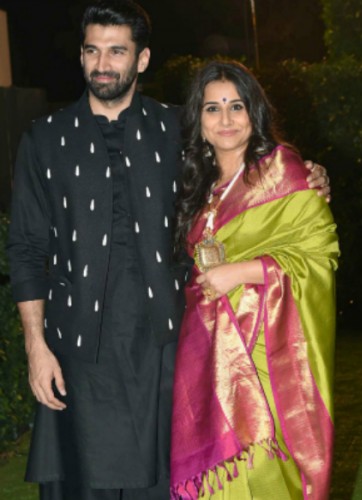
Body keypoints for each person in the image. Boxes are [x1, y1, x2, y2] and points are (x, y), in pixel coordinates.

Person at [6, 2, 329, 499]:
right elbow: (26, 250)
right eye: (92, 51)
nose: (102, 64)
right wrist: (35, 346)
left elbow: (243, 165)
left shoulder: (178, 130)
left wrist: (306, 176)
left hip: (168, 348)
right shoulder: (44, 140)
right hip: (77, 353)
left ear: (142, 58)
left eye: (117, 51)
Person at [169, 61, 338, 500]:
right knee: (220, 468)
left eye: (236, 106)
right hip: (207, 348)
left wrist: (240, 272)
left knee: (263, 460)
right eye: (212, 108)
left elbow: (319, 256)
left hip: (268, 346)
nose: (225, 119)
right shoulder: (197, 183)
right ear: (198, 119)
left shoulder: (283, 170)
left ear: (254, 112)